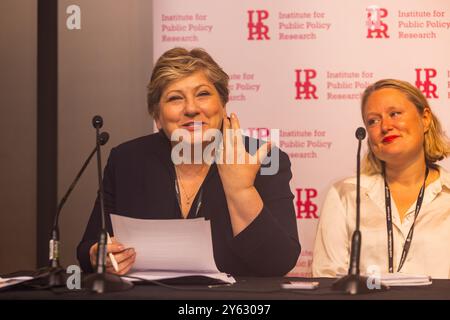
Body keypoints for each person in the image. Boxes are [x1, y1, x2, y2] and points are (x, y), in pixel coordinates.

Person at [77, 47, 301, 277]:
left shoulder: (264, 158)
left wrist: (241, 190)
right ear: (157, 117)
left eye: (203, 94)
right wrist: (98, 255)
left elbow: (279, 262)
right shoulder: (126, 160)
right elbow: (87, 247)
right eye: (175, 98)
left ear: (223, 105)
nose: (192, 109)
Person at [312, 79, 450, 279]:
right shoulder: (346, 194)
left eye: (395, 114)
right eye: (373, 121)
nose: (385, 126)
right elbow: (326, 278)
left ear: (425, 119)